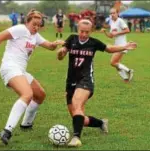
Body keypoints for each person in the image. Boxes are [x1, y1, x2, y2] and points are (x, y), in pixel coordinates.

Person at [0, 9, 64, 145]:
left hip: (20, 71)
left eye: (39, 25)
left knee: (40, 95)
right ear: (27, 22)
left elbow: (49, 46)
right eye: (34, 24)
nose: (37, 27)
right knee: (27, 94)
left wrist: (56, 43)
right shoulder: (20, 29)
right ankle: (7, 131)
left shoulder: (35, 35)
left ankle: (26, 124)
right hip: (10, 67)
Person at [57, 19, 137, 147]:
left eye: (87, 32)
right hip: (71, 81)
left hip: (86, 80)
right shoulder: (71, 39)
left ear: (91, 31)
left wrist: (125, 46)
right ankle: (101, 123)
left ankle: (76, 138)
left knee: (77, 105)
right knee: (78, 118)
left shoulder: (93, 43)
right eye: (82, 31)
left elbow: (109, 48)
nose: (84, 34)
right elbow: (61, 55)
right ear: (78, 30)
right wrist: (60, 53)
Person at [102, 8, 134, 82]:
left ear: (117, 13)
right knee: (116, 64)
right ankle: (125, 78)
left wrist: (117, 33)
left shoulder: (120, 21)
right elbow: (111, 36)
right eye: (111, 13)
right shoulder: (112, 22)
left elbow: (127, 30)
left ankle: (129, 70)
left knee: (113, 62)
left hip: (123, 45)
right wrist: (105, 32)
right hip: (116, 45)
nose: (112, 14)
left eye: (113, 13)